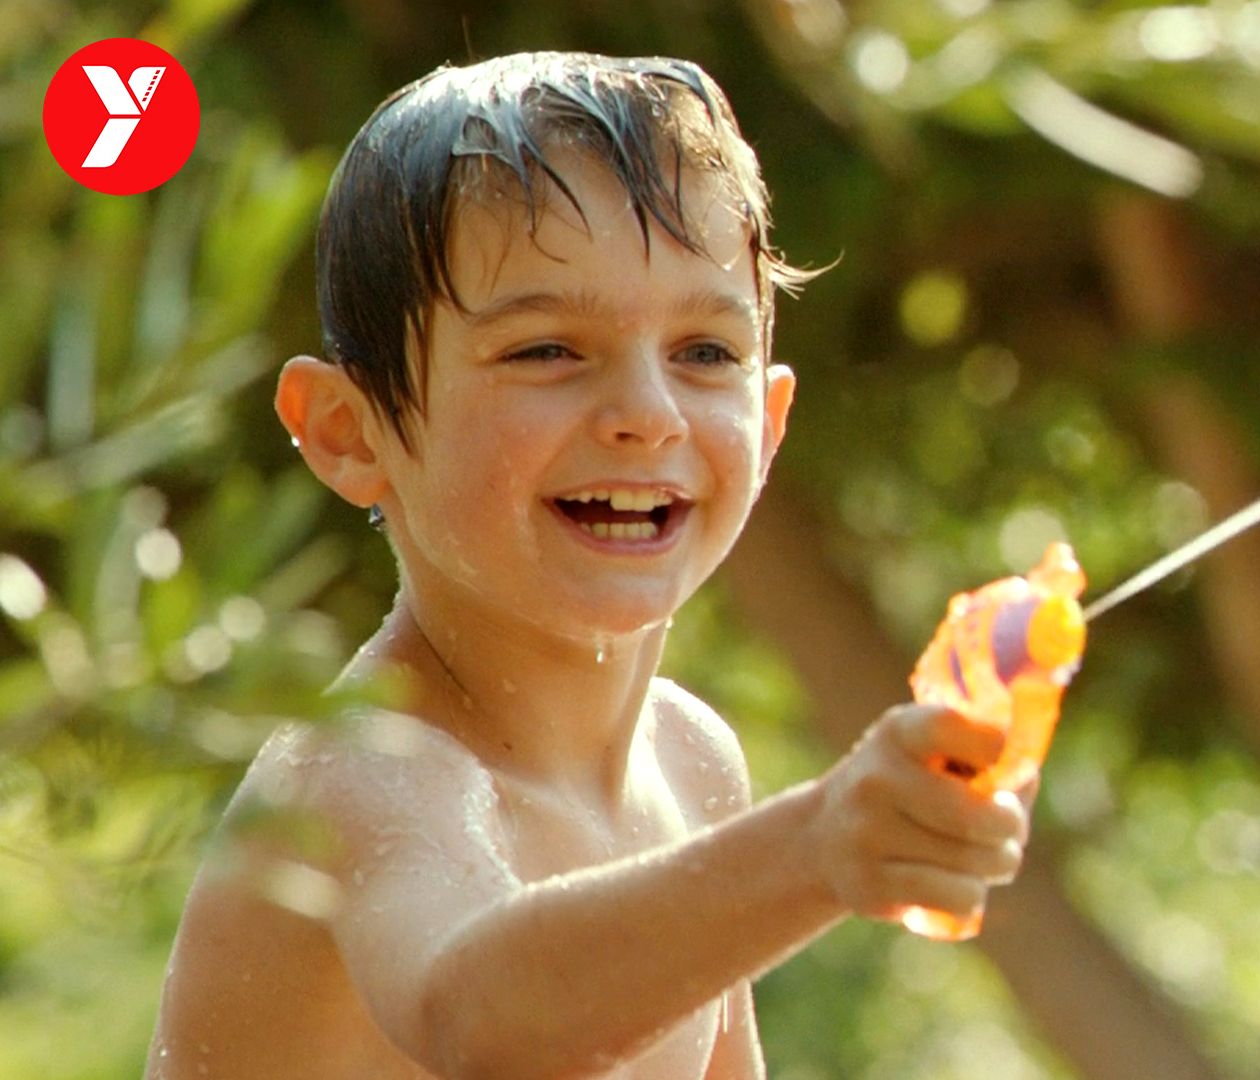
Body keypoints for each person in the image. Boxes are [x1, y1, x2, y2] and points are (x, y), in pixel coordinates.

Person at [147, 51, 1034, 1078]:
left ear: (771, 420)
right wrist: (816, 845)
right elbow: (475, 1016)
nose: (647, 417)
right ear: (350, 433)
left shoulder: (693, 763)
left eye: (706, 353)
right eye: (545, 351)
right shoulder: (358, 773)